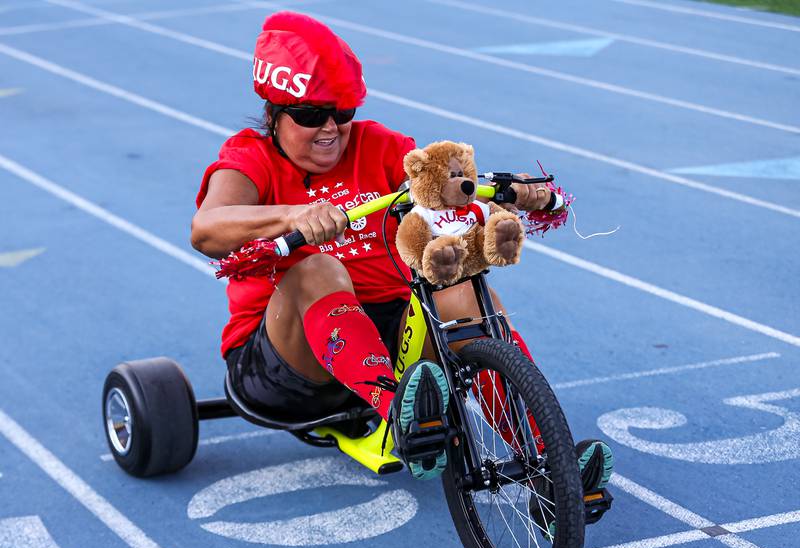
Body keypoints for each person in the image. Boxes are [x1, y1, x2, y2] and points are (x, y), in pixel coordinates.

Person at [192, 11, 613, 488]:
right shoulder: (250, 158)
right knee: (318, 268)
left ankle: (546, 460)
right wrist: (293, 216)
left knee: (463, 290)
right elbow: (206, 228)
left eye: (342, 113)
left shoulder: (378, 146)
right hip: (288, 368)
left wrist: (509, 190)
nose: (330, 128)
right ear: (273, 113)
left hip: (391, 341)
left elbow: (443, 189)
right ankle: (401, 418)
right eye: (311, 115)